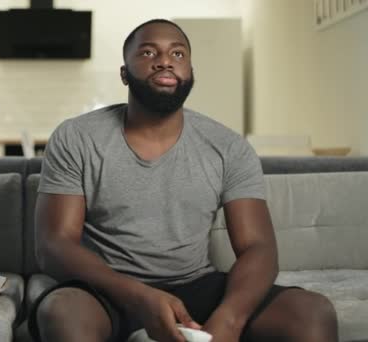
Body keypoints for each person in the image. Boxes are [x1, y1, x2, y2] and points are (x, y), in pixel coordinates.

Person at [28, 18, 338, 342]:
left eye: (178, 54)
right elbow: (53, 245)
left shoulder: (228, 147)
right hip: (107, 288)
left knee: (311, 312)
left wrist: (229, 320)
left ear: (191, 73)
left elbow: (258, 246)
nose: (164, 60)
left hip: (196, 287)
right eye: (148, 53)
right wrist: (138, 295)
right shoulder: (77, 137)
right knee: (62, 311)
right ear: (124, 73)